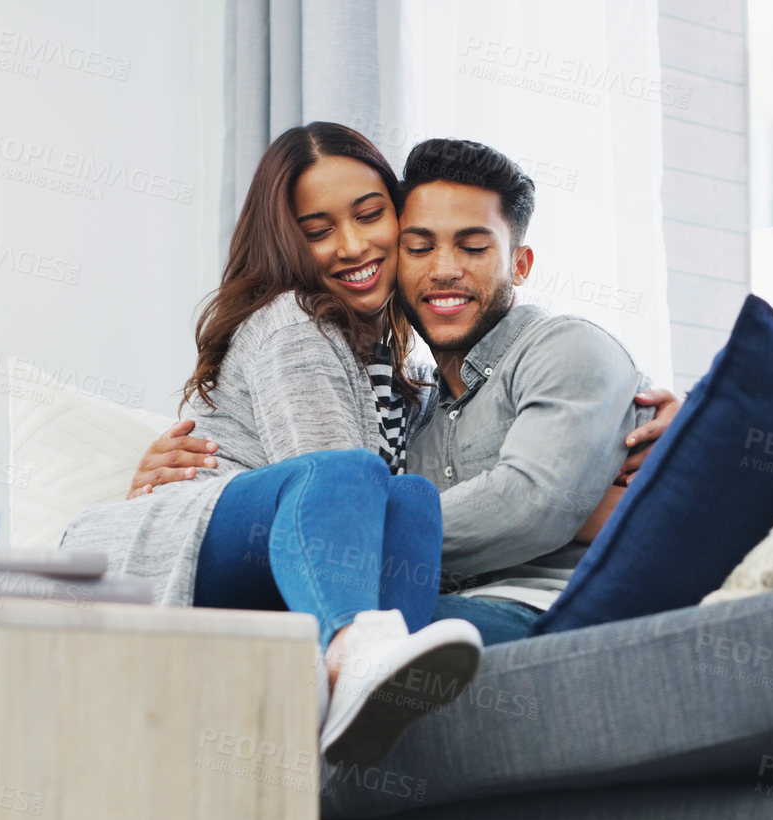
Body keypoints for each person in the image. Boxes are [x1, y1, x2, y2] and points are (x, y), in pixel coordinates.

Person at [128, 138, 679, 643]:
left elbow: (532, 504)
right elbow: (335, 500)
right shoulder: (412, 408)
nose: (444, 270)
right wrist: (175, 490)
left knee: (355, 637)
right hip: (440, 601)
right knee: (324, 631)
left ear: (521, 263)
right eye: (419, 248)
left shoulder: (565, 348)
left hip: (542, 607)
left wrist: (688, 435)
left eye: (473, 247)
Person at [59, 122, 482, 769]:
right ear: (286, 241)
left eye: (370, 215)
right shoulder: (294, 321)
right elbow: (335, 486)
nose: (351, 244)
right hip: (196, 540)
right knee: (352, 476)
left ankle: (367, 704)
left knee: (415, 500)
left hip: (274, 546)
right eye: (318, 231)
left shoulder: (395, 366)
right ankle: (351, 650)